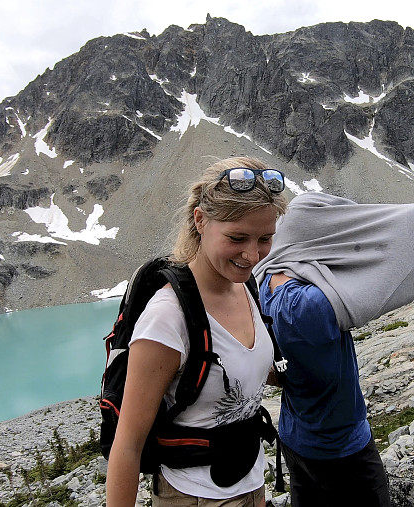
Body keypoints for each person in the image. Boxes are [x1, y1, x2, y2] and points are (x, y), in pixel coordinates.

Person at [106, 157, 288, 506]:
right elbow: (127, 445)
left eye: (265, 238)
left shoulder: (246, 287)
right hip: (192, 497)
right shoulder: (167, 319)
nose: (253, 255)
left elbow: (239, 370)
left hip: (252, 483)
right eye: (237, 238)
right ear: (200, 220)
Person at [253, 192, 414, 507]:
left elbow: (277, 368)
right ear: (314, 238)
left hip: (294, 436)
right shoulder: (307, 305)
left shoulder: (266, 279)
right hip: (340, 447)